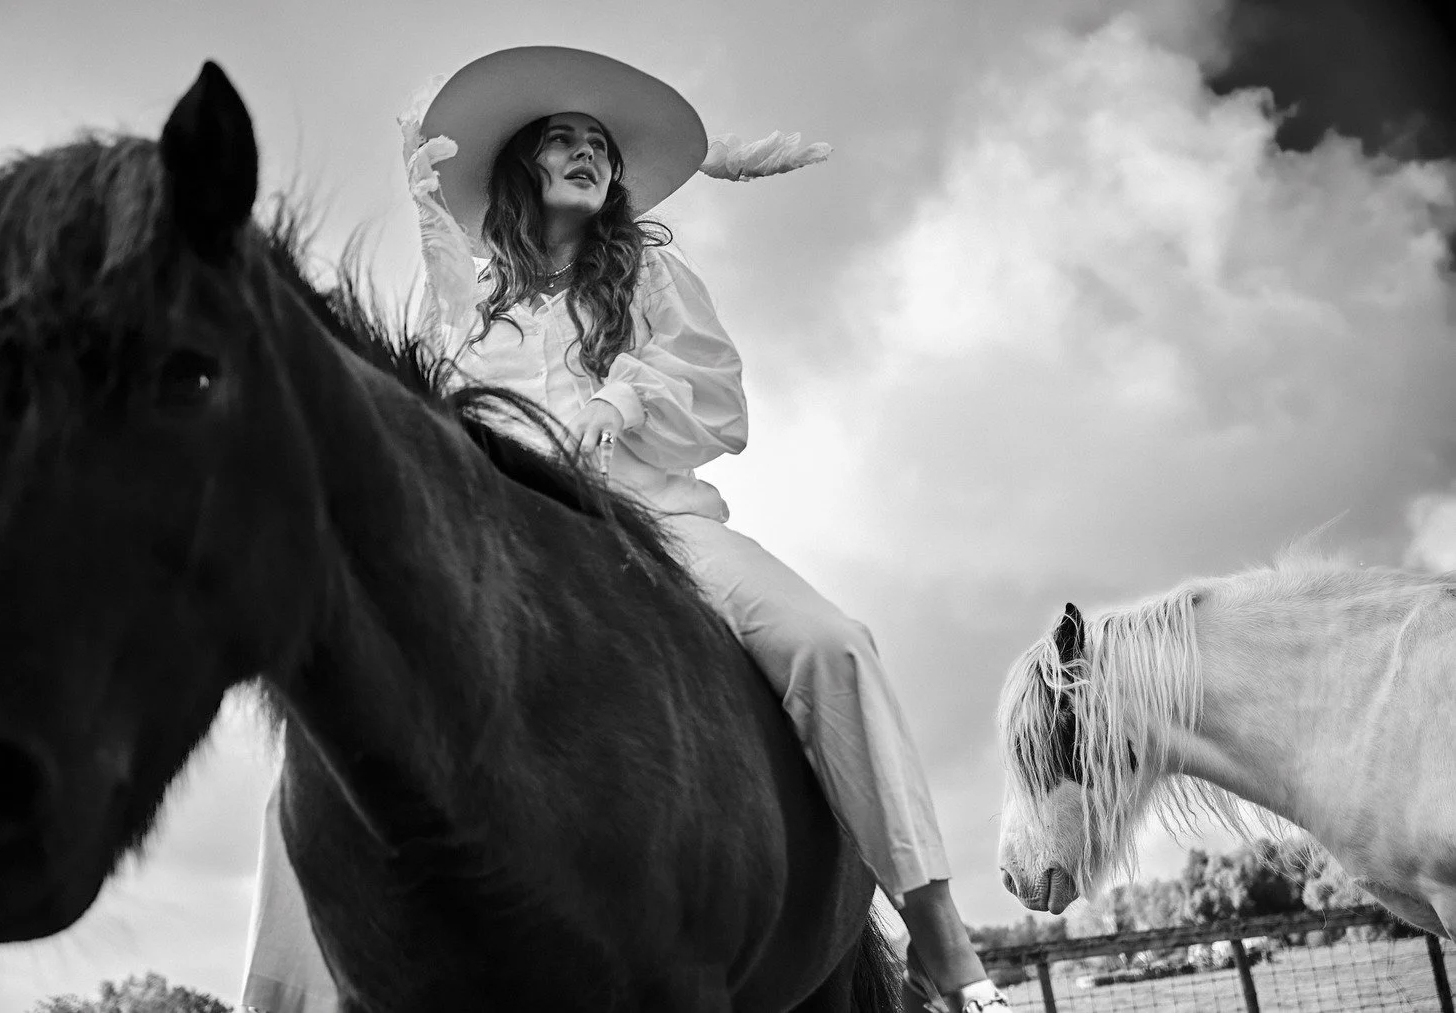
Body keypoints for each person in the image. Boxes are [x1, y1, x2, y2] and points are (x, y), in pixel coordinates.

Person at [241, 46, 1010, 1013]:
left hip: (662, 525)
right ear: (521, 167)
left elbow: (722, 407)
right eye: (559, 137)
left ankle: (941, 943)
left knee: (832, 644)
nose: (584, 149)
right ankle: (275, 998)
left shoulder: (649, 271)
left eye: (599, 143)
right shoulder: (470, 307)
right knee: (338, 715)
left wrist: (627, 396)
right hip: (509, 552)